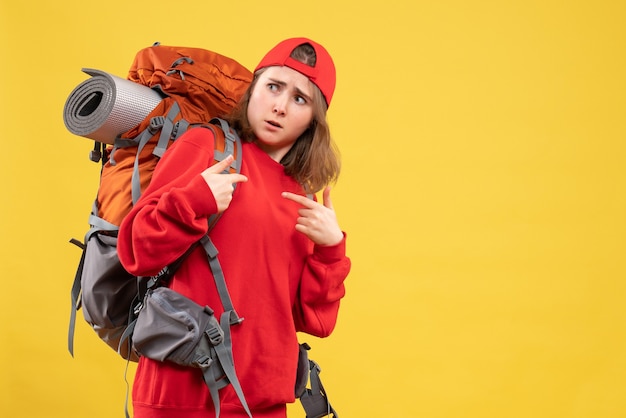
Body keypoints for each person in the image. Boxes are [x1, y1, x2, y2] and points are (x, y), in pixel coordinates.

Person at [117, 37, 351, 418]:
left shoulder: (301, 194)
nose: (279, 105)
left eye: (299, 99)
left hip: (262, 403)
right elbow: (134, 251)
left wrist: (330, 250)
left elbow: (318, 322)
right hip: (180, 397)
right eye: (273, 86)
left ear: (314, 118)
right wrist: (194, 201)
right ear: (254, 89)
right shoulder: (206, 147)